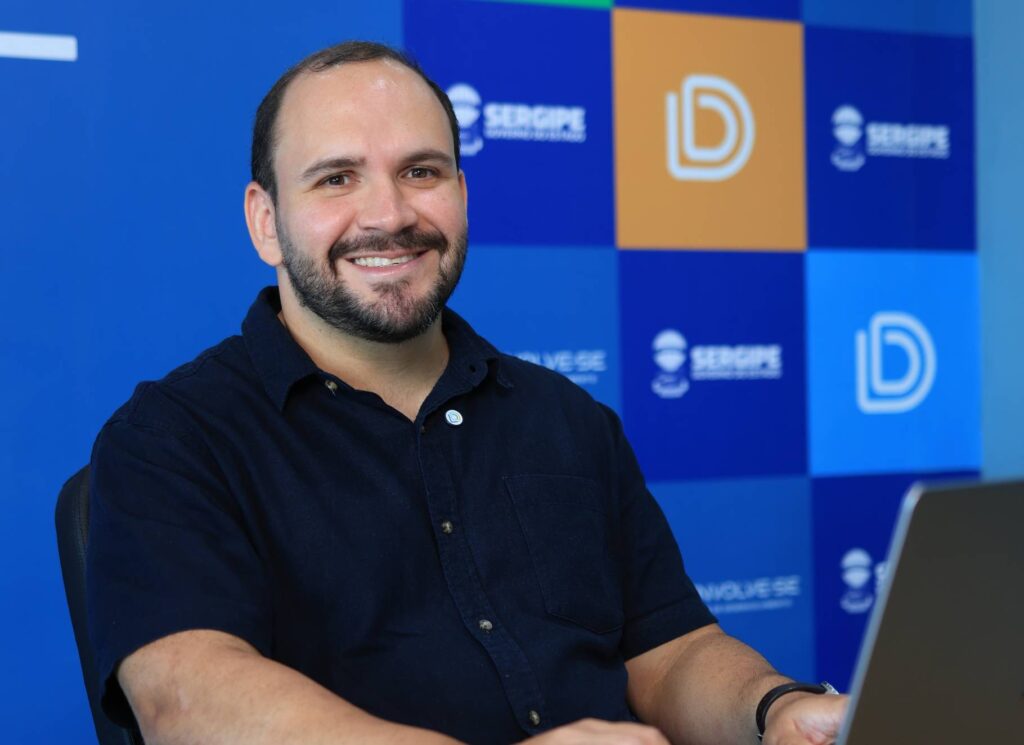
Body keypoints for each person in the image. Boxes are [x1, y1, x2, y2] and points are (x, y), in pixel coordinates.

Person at [85, 41, 848, 745]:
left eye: (421, 171)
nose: (389, 215)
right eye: (337, 178)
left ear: (462, 193)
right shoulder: (171, 439)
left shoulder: (569, 420)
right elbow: (189, 700)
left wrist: (775, 707)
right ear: (265, 221)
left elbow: (671, 652)